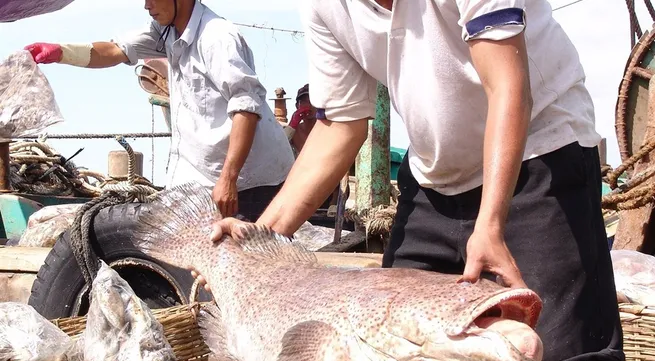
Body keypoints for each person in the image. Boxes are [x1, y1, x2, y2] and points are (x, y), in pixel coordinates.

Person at [197, 0, 625, 360]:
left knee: (553, 346)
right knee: (380, 344)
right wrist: (262, 238)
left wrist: (490, 224)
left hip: (539, 158)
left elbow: (508, 87)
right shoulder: (324, 6)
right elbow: (341, 125)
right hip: (432, 180)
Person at [23, 0, 295, 222]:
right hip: (205, 179)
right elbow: (116, 50)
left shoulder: (217, 38)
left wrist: (228, 178)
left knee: (245, 264)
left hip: (251, 181)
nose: (146, 5)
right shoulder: (164, 30)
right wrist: (61, 52)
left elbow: (246, 108)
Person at [287, 84, 317, 153]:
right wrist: (292, 125)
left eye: (312, 101)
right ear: (297, 106)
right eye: (304, 101)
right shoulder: (294, 132)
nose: (308, 105)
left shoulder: (327, 128)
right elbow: (279, 146)